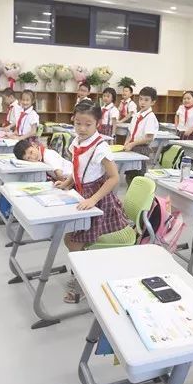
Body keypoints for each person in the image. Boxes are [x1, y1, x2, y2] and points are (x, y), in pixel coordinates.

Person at [58, 101, 128, 303]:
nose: (81, 128)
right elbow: (77, 167)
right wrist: (68, 182)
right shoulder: (77, 141)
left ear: (98, 123)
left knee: (74, 241)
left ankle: (81, 283)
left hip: (99, 201)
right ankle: (83, 273)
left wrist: (93, 199)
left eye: (87, 124)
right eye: (78, 123)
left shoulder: (100, 147)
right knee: (71, 239)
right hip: (82, 194)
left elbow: (114, 178)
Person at [123, 86, 159, 185]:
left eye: (146, 100)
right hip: (132, 147)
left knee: (138, 176)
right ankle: (130, 196)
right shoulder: (136, 115)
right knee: (129, 174)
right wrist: (126, 143)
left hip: (141, 149)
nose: (142, 102)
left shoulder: (150, 117)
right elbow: (130, 132)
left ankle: (137, 198)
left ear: (153, 102)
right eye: (141, 99)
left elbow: (149, 138)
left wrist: (132, 144)